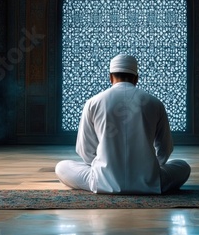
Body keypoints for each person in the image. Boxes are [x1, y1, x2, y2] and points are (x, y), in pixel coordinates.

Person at [55, 54, 191, 194]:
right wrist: (152, 169)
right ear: (136, 78)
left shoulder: (93, 102)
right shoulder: (155, 103)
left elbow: (85, 150)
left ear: (110, 77)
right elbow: (165, 149)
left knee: (61, 167)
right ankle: (149, 182)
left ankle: (102, 182)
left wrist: (102, 168)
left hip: (103, 180)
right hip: (149, 181)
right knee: (183, 166)